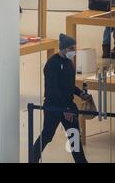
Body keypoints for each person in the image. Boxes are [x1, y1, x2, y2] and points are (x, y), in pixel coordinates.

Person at [32, 34, 90, 163]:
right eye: (71, 48)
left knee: (74, 138)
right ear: (63, 49)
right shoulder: (52, 64)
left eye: (74, 48)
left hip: (68, 106)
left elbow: (68, 85)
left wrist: (80, 93)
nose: (73, 51)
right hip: (54, 108)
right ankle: (33, 158)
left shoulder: (69, 62)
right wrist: (65, 109)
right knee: (47, 135)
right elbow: (53, 90)